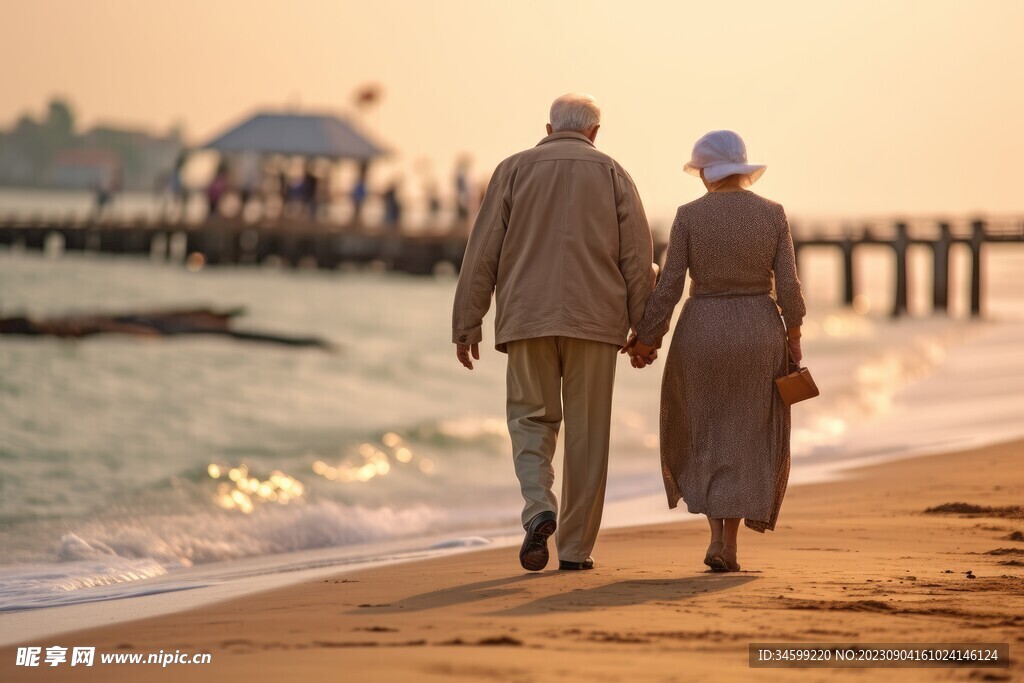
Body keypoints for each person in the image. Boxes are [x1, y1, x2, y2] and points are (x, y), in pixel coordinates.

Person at [451, 94, 657, 572]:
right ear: (595, 132)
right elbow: (635, 258)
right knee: (587, 436)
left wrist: (467, 321)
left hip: (527, 318)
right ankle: (575, 549)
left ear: (547, 128)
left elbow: (481, 252)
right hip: (595, 323)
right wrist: (646, 332)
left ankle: (538, 506)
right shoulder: (613, 173)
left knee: (530, 421)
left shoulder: (512, 170)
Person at [624, 130, 806, 573]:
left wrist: (647, 339)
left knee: (704, 433)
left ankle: (714, 537)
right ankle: (730, 541)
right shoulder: (773, 215)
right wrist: (793, 342)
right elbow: (790, 289)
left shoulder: (689, 216)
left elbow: (667, 288)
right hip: (759, 332)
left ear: (706, 172)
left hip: (702, 330)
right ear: (742, 168)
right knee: (747, 436)